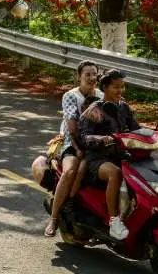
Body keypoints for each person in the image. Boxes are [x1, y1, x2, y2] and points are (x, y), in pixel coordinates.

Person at [79, 69, 139, 241]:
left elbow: (136, 129)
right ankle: (114, 222)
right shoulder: (94, 110)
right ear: (104, 87)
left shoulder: (124, 107)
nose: (120, 90)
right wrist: (101, 139)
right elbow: (84, 137)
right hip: (97, 159)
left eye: (122, 87)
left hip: (119, 155)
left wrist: (157, 134)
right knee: (116, 173)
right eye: (115, 87)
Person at [44, 60, 101, 237]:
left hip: (96, 144)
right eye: (87, 74)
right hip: (72, 142)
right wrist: (78, 148)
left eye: (94, 74)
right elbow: (72, 127)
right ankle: (54, 218)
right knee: (70, 172)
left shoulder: (101, 94)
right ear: (79, 77)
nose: (92, 78)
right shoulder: (71, 96)